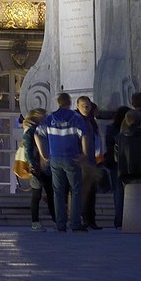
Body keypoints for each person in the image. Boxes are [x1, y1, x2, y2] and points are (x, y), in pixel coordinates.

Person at [38, 92, 92, 232]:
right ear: (70, 102)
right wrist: (84, 153)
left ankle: (60, 224)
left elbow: (37, 134)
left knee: (58, 191)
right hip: (72, 157)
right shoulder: (75, 117)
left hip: (55, 158)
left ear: (58, 103)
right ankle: (75, 223)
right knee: (75, 190)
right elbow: (84, 135)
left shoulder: (50, 118)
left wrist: (43, 155)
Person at [20, 107, 56, 231]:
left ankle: (56, 220)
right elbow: (28, 150)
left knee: (48, 194)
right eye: (43, 116)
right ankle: (35, 221)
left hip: (43, 166)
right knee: (37, 195)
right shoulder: (30, 131)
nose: (45, 118)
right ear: (36, 116)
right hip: (37, 167)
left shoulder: (36, 129)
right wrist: (33, 165)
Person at [76, 96, 103, 229]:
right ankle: (84, 218)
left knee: (91, 192)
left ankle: (90, 220)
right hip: (82, 162)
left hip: (91, 161)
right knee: (84, 192)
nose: (86, 108)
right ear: (78, 106)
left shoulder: (91, 121)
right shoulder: (77, 121)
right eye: (83, 106)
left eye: (88, 106)